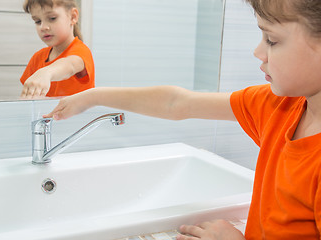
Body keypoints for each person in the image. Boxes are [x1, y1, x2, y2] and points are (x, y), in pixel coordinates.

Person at [44, 0, 321, 239]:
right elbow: (178, 103)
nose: (258, 52)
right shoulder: (278, 106)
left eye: (272, 40)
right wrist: (93, 96)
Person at [20, 0, 95, 99]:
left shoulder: (81, 51)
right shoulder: (37, 58)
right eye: (38, 21)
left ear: (73, 16)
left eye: (52, 18)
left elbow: (70, 65)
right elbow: (27, 98)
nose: (43, 27)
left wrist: (47, 72)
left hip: (78, 114)